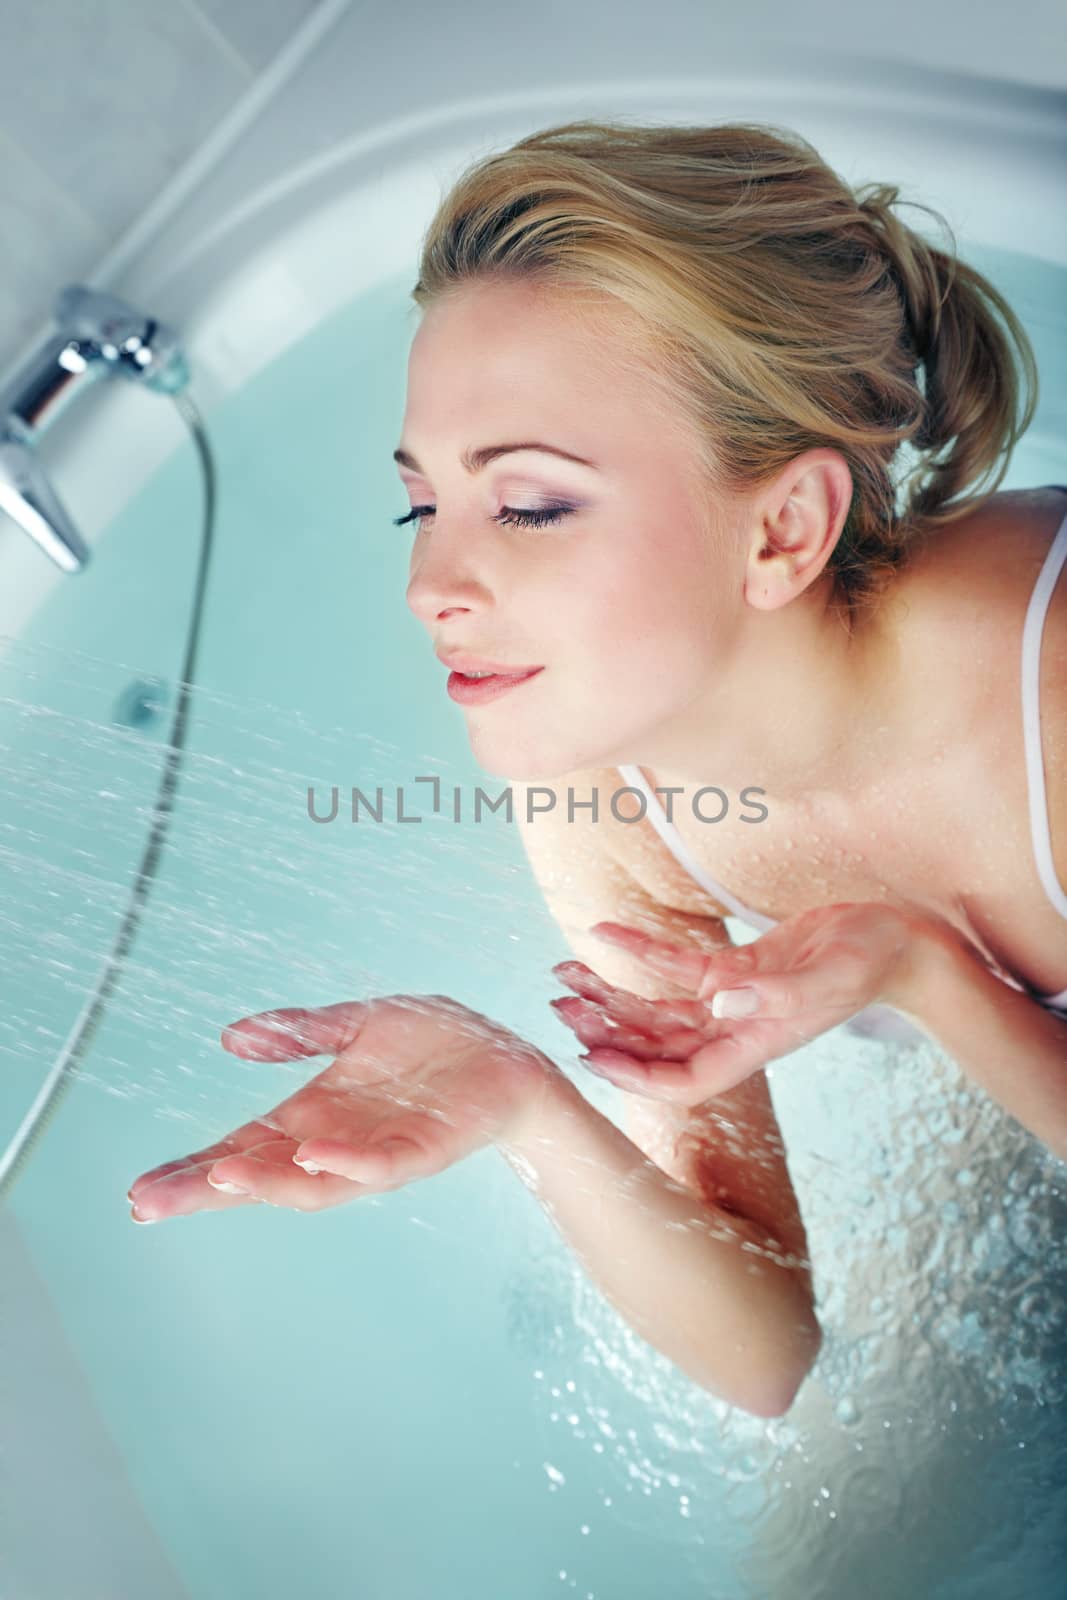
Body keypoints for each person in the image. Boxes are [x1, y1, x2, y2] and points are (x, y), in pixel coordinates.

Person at [127, 120, 1066, 1447]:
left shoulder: (1053, 687)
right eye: (422, 506)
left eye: (530, 506)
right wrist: (525, 1099)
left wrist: (923, 975)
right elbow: (765, 1357)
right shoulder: (602, 787)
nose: (429, 590)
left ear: (783, 527)